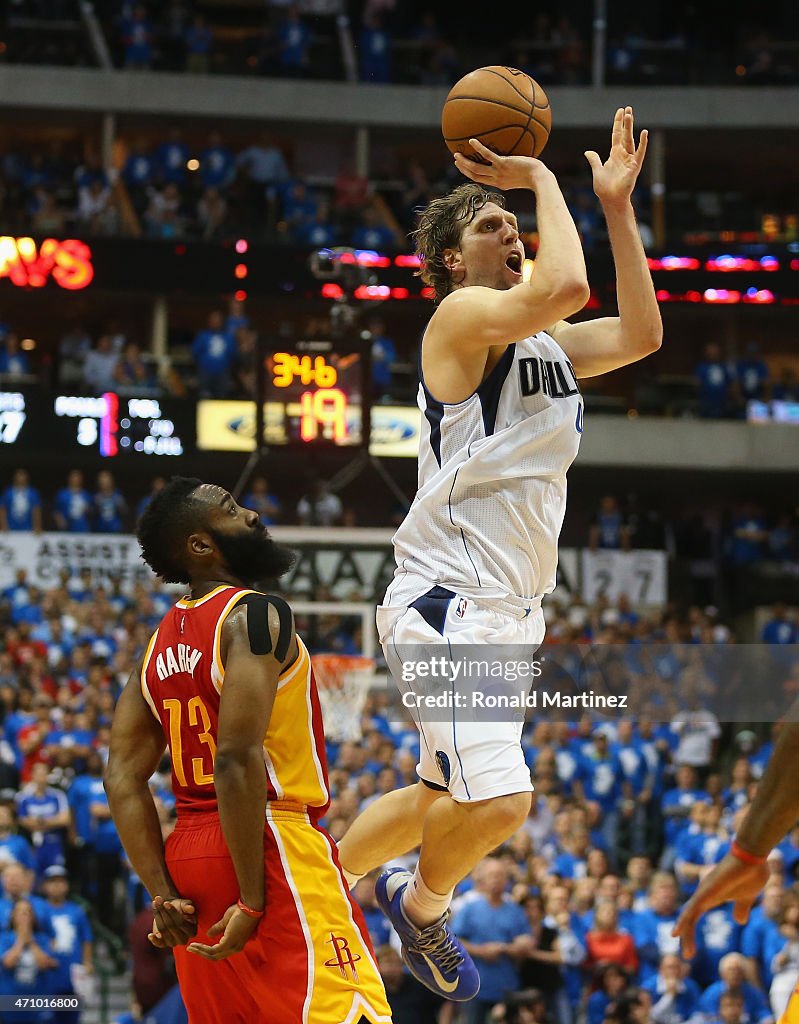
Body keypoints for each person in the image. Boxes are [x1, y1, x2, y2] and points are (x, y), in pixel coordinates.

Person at [336, 107, 661, 1001]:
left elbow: (639, 335)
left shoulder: (546, 346)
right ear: (450, 260)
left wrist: (616, 209)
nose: (510, 232)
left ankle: (320, 878)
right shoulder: (459, 318)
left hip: (510, 611)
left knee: (441, 799)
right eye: (491, 226)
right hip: (449, 599)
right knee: (503, 803)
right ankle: (421, 904)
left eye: (514, 223)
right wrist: (546, 182)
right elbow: (561, 288)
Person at [104, 476, 391, 1024]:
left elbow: (121, 778)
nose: (253, 514)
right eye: (232, 510)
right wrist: (254, 899)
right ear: (200, 545)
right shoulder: (255, 614)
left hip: (188, 857)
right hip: (265, 841)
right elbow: (235, 758)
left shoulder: (156, 645)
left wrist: (164, 896)